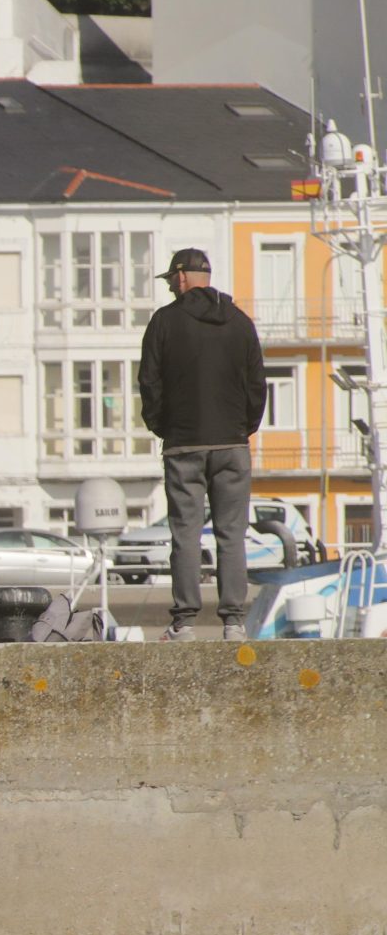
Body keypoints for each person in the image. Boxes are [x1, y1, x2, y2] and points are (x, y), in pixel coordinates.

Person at [138, 245, 266, 641]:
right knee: (231, 534)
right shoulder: (241, 323)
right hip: (231, 445)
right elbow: (257, 385)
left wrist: (163, 427)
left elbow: (149, 383)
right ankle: (233, 623)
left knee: (186, 534)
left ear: (180, 277)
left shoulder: (164, 322)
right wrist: (241, 428)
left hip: (184, 446)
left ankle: (185, 623)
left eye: (171, 281)